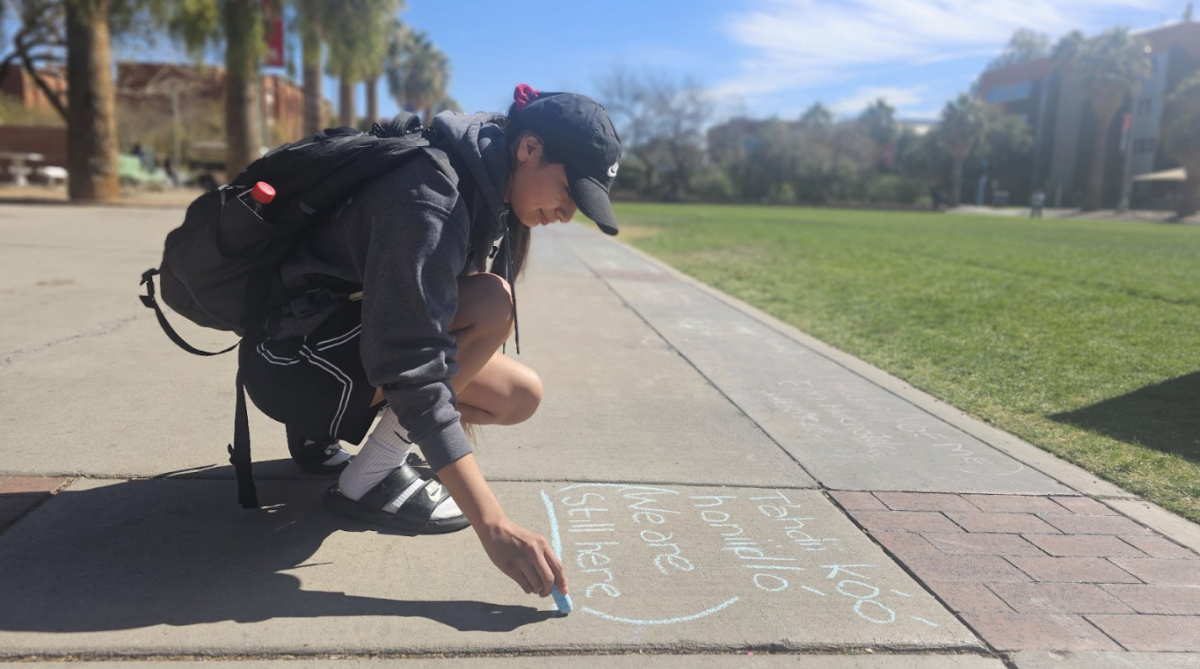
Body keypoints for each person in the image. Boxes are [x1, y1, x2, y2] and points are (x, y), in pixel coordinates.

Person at [238, 84, 621, 601]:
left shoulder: (483, 184)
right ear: (529, 148)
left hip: (320, 345)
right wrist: (493, 525)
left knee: (519, 394)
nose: (567, 213)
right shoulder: (428, 192)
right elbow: (411, 362)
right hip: (292, 367)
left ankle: (320, 439)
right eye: (570, 192)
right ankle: (368, 479)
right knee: (491, 303)